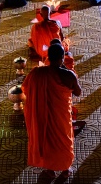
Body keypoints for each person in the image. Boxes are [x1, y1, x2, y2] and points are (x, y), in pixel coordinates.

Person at [22, 42, 81, 174]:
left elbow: (25, 89)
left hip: (42, 114)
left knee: (47, 138)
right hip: (61, 114)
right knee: (64, 138)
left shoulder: (37, 73)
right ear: (62, 58)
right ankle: (65, 167)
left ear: (48, 57)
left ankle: (50, 169)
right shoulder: (68, 75)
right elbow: (78, 92)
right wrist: (66, 70)